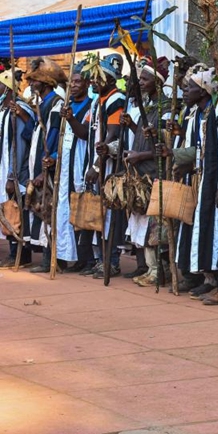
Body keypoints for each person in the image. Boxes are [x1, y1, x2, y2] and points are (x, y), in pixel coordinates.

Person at [157, 65, 218, 306]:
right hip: (202, 178)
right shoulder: (202, 113)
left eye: (189, 88)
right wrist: (174, 153)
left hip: (216, 181)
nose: (185, 92)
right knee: (204, 228)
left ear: (203, 91)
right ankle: (210, 279)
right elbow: (200, 150)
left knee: (216, 230)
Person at [126, 57, 171, 288]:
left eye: (145, 78)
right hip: (141, 172)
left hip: (154, 173)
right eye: (140, 78)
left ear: (158, 82)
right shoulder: (147, 105)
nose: (141, 82)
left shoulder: (165, 108)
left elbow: (162, 147)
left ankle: (158, 272)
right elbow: (146, 137)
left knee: (154, 226)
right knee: (143, 222)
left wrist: (140, 156)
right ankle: (151, 269)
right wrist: (132, 127)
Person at [83, 55, 127, 279]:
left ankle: (111, 261)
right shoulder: (97, 100)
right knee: (98, 214)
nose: (92, 83)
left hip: (108, 167)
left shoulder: (115, 99)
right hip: (98, 163)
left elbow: (112, 136)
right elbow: (88, 133)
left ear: (109, 80)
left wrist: (97, 167)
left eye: (96, 79)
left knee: (109, 215)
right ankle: (101, 259)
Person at [26, 57, 67, 273]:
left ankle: (51, 259)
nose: (31, 85)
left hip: (48, 165)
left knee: (49, 210)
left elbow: (53, 136)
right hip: (40, 163)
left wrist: (45, 167)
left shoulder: (56, 103)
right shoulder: (42, 103)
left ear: (45, 83)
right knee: (42, 209)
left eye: (35, 81)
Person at [58, 61, 94, 273]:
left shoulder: (90, 106)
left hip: (80, 162)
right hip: (66, 163)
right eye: (71, 81)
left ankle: (86, 258)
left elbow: (84, 134)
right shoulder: (66, 103)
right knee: (67, 209)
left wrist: (71, 118)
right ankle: (71, 254)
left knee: (82, 207)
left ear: (87, 83)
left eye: (78, 81)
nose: (74, 85)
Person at [0, 70, 35, 267]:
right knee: (7, 209)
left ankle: (20, 253)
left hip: (15, 170)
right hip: (3, 167)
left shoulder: (19, 111)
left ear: (7, 88)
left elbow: (19, 146)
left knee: (16, 209)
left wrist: (13, 175)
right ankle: (14, 251)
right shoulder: (3, 110)